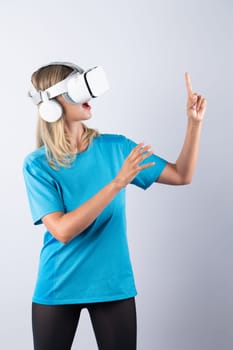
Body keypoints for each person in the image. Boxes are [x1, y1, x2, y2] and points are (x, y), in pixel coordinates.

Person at [22, 62, 207, 350]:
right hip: (58, 285)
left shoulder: (117, 148)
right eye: (76, 90)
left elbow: (182, 174)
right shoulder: (37, 165)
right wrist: (116, 183)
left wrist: (194, 123)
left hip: (112, 285)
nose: (89, 97)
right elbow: (62, 230)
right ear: (52, 103)